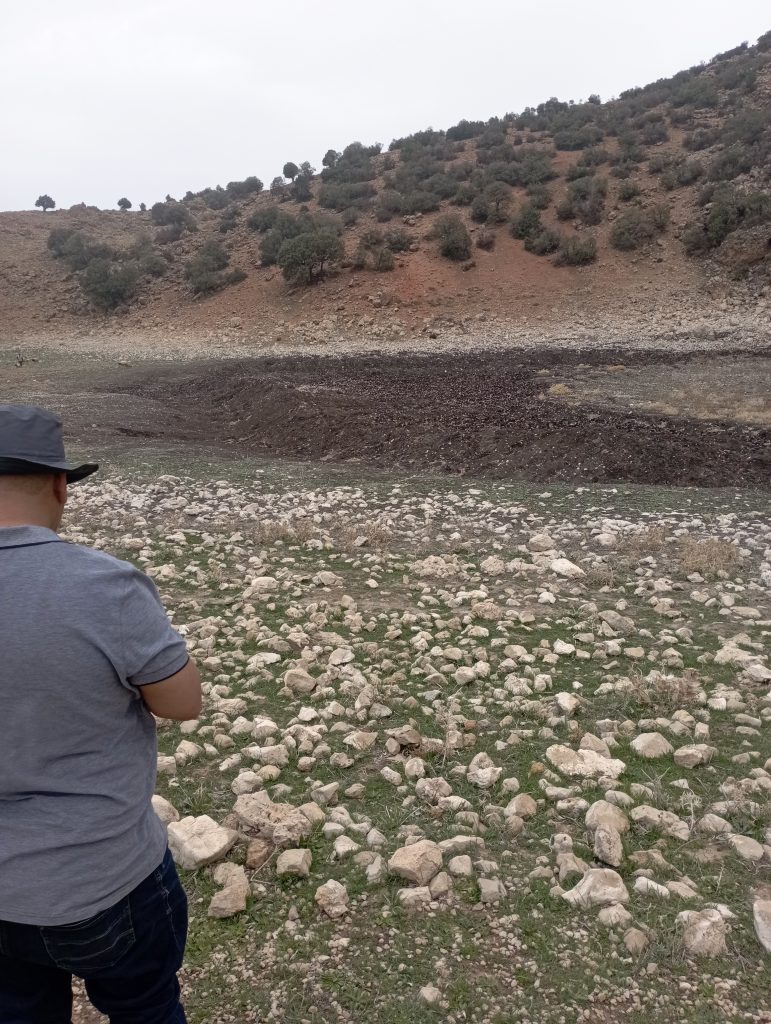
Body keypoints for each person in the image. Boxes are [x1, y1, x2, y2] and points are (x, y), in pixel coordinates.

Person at [0, 404, 203, 1024]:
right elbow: (182, 703)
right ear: (61, 485)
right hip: (105, 879)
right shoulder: (104, 585)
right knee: (146, 1008)